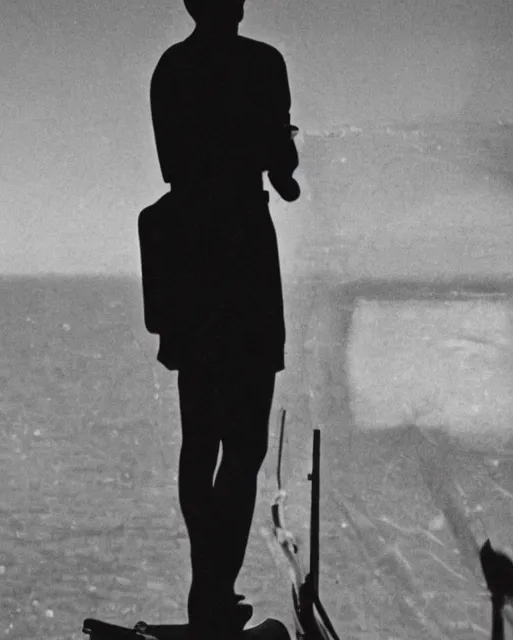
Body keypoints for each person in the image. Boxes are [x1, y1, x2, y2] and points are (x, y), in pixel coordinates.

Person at [143, 0, 301, 637]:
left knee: (199, 435)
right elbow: (282, 171)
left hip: (187, 251)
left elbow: (172, 166)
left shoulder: (171, 68)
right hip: (243, 251)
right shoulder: (263, 63)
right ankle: (212, 592)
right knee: (246, 444)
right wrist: (282, 169)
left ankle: (206, 595)